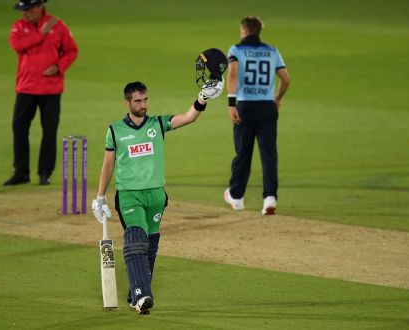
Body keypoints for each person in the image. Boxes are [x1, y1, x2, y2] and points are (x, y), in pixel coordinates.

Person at [90, 51, 226, 315]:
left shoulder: (158, 124)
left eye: (145, 99)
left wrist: (202, 99)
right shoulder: (115, 130)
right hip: (129, 196)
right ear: (127, 102)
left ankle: (133, 294)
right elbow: (108, 164)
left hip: (156, 195)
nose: (143, 104)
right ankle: (143, 296)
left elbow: (188, 117)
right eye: (138, 100)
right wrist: (100, 196)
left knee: (150, 246)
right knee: (136, 240)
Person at [4, 0, 78, 186]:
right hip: (26, 86)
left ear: (38, 8)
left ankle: (45, 173)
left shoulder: (58, 25)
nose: (24, 14)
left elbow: (71, 51)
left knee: (49, 130)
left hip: (50, 88)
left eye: (28, 9)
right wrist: (41, 33)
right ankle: (21, 172)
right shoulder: (19, 26)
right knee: (19, 128)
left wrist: (59, 67)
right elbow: (17, 45)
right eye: (23, 10)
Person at [224, 16, 290, 215]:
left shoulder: (236, 50)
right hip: (267, 108)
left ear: (244, 31)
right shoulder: (272, 51)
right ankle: (269, 199)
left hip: (245, 107)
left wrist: (231, 104)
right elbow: (286, 79)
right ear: (258, 31)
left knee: (243, 152)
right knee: (269, 154)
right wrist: (277, 98)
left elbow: (233, 74)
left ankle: (237, 197)